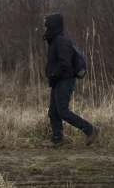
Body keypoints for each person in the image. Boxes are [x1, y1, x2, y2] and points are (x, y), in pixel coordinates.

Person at [41, 13, 99, 148]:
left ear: (53, 26)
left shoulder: (60, 41)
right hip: (58, 81)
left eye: (46, 26)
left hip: (64, 82)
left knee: (62, 111)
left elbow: (65, 62)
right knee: (53, 112)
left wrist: (53, 73)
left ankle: (90, 129)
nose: (45, 28)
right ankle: (57, 140)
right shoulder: (55, 40)